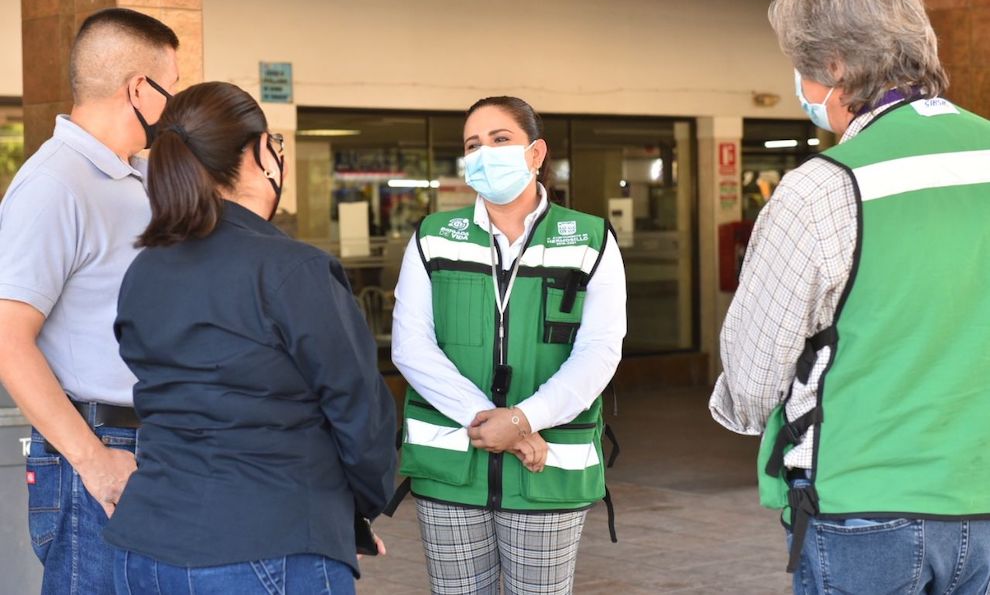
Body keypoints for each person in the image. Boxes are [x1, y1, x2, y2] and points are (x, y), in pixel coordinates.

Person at [709, 0, 990, 594]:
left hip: (864, 503)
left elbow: (752, 383)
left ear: (835, 66)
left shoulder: (822, 188)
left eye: (802, 66)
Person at [103, 81, 397, 594]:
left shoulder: (144, 272)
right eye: (276, 145)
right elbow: (359, 414)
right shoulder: (293, 269)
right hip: (271, 542)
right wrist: (357, 509)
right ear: (261, 151)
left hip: (145, 547)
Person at [390, 96, 626, 594]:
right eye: (473, 145)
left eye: (500, 140)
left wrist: (524, 419)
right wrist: (495, 423)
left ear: (536, 153)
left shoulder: (589, 238)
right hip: (451, 470)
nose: (484, 153)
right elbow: (411, 346)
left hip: (548, 471)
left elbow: (600, 351)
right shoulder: (433, 237)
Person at [0, 8, 178, 594]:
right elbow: (7, 337)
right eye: (168, 91)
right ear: (138, 89)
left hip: (152, 445)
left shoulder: (137, 179)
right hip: (99, 450)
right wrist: (93, 460)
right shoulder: (54, 184)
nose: (171, 107)